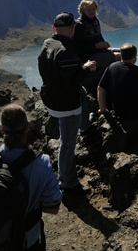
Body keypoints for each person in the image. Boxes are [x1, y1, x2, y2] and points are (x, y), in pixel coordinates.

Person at [0, 104, 61, 251]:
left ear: (1, 128)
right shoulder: (42, 164)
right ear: (28, 127)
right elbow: (53, 207)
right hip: (25, 241)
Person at [37, 12, 96, 193]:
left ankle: (85, 124)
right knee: (68, 143)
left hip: (51, 98)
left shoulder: (48, 43)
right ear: (72, 29)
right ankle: (68, 183)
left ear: (54, 29)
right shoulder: (67, 50)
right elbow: (73, 80)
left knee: (83, 92)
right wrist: (86, 68)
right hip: (66, 105)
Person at [74, 0, 119, 128]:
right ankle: (119, 81)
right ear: (83, 10)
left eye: (93, 8)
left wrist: (104, 45)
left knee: (126, 51)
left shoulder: (95, 21)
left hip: (99, 51)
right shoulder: (80, 25)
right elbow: (78, 48)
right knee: (118, 57)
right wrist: (96, 46)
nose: (92, 11)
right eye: (89, 9)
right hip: (89, 57)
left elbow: (98, 38)